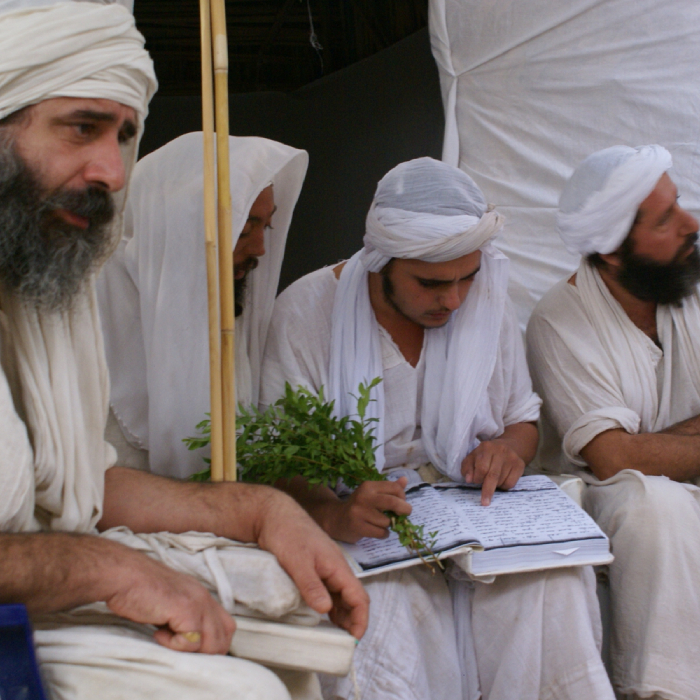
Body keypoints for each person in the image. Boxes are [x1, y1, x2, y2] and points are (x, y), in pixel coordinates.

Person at [0, 2, 368, 699]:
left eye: (124, 136)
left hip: (39, 597)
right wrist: (113, 571)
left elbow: (80, 485)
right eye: (81, 127)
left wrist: (259, 510)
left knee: (289, 617)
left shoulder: (41, 294)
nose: (111, 169)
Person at [261, 157, 615, 700]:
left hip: (475, 515)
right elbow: (282, 467)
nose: (452, 300)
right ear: (381, 263)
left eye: (466, 279)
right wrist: (336, 511)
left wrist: (506, 451)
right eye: (431, 283)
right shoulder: (306, 312)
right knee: (387, 612)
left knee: (554, 584)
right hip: (366, 529)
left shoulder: (484, 300)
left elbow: (522, 420)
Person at [527, 144, 700, 700]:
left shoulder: (687, 284)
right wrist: (638, 448)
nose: (691, 223)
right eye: (666, 219)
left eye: (680, 206)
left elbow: (631, 444)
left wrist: (648, 445)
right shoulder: (560, 320)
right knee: (657, 504)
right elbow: (613, 458)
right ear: (614, 253)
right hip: (601, 500)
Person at [97, 131, 308, 478]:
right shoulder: (88, 304)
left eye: (266, 227)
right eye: (243, 229)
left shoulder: (227, 291)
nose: (260, 249)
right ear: (179, 226)